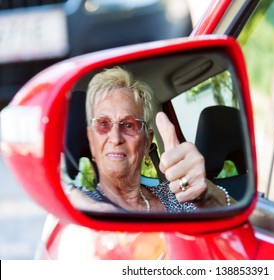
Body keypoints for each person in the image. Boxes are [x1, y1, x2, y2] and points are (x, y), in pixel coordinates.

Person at [68, 66, 234, 213]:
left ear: (147, 143)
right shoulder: (81, 205)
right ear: (91, 140)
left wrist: (208, 195)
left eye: (129, 125)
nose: (116, 138)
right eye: (103, 124)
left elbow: (246, 221)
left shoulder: (177, 196)